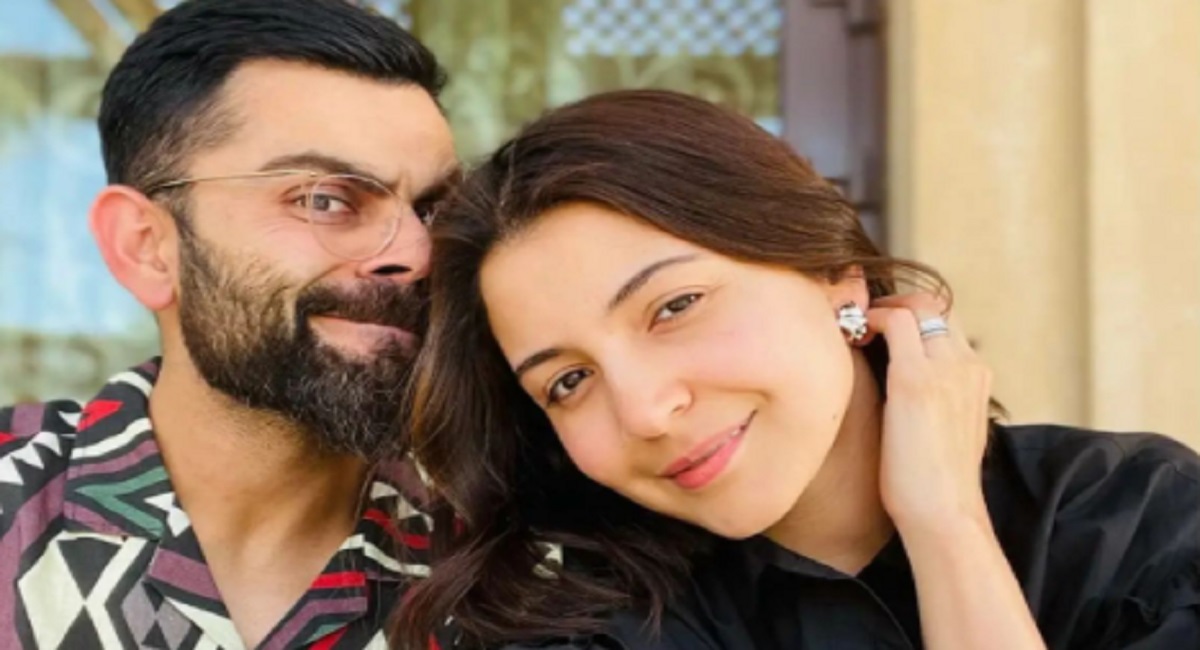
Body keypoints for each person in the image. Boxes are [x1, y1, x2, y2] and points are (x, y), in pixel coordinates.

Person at [396, 89, 1200, 650]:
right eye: (568, 382)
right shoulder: (584, 628)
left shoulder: (1137, 522)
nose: (644, 410)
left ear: (834, 274)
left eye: (674, 307)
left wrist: (948, 527)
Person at [0, 0, 458, 647]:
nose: (416, 254)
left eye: (434, 211)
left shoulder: (513, 571)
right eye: (326, 199)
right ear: (146, 246)